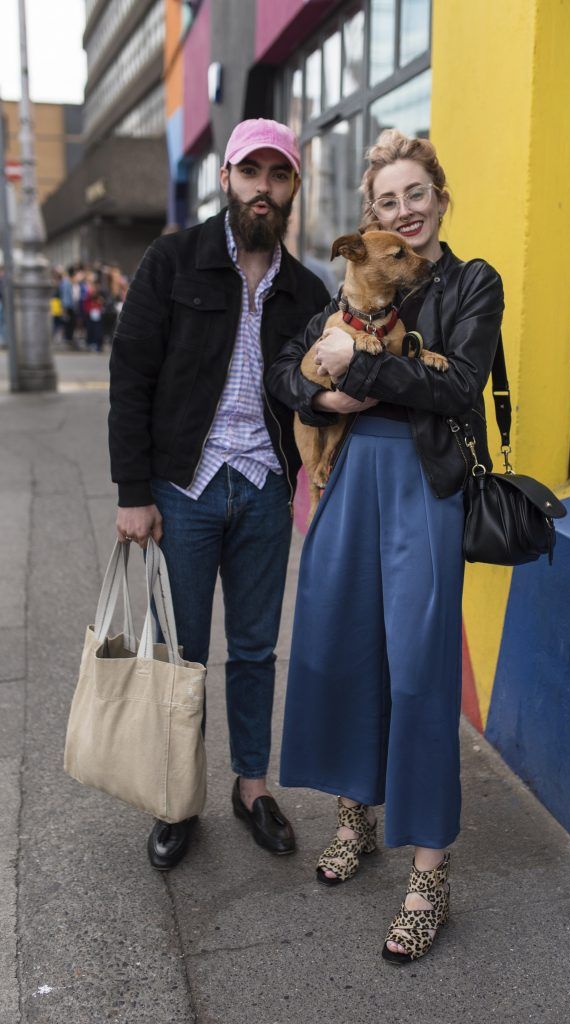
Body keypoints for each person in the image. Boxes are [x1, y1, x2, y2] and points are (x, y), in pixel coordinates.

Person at [266, 129, 505, 964]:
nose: (403, 212)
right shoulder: (352, 279)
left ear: (440, 196)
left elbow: (456, 386)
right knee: (336, 654)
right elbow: (289, 374)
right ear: (372, 213)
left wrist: (355, 367)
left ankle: (429, 878)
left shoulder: (472, 284)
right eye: (387, 200)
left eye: (416, 194)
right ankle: (353, 819)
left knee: (419, 673)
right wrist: (321, 392)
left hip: (422, 489)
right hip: (344, 480)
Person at [108, 119, 330, 871]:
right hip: (184, 491)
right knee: (180, 653)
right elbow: (131, 375)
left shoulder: (307, 290)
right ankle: (177, 797)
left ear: (293, 187)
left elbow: (316, 391)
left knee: (256, 649)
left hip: (266, 490)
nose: (262, 188)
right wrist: (134, 491)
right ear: (227, 178)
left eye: (278, 175)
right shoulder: (173, 261)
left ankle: (251, 786)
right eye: (250, 172)